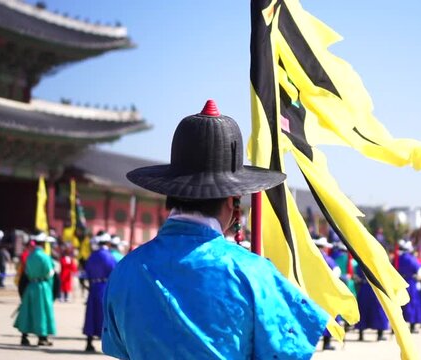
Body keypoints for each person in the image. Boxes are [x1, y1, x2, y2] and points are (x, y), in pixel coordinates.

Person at [102, 100, 328, 359]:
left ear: (171, 194)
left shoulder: (126, 269)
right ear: (233, 203)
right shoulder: (253, 272)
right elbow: (288, 351)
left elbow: (118, 347)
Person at [13, 232, 56, 346]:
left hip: (31, 286)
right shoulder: (44, 257)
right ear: (42, 243)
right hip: (42, 287)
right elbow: (49, 273)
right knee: (42, 312)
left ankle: (24, 337)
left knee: (27, 311)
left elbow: (26, 272)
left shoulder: (30, 256)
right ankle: (42, 337)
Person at [83, 232, 117, 352]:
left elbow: (85, 273)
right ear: (108, 242)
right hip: (105, 287)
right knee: (105, 316)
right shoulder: (110, 256)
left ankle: (88, 343)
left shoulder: (92, 256)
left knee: (91, 314)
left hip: (93, 287)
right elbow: (115, 273)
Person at [314, 236, 340, 351]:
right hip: (326, 293)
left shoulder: (310, 258)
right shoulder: (328, 259)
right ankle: (326, 343)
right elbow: (336, 273)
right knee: (329, 317)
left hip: (313, 292)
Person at [397, 239, 421, 333]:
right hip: (410, 283)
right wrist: (418, 278)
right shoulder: (410, 258)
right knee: (412, 304)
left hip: (399, 283)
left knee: (400, 305)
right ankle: (412, 326)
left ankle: (397, 327)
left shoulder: (398, 258)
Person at [354, 265, 388, 341]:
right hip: (375, 289)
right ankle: (380, 334)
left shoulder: (359, 263)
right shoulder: (376, 263)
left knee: (363, 310)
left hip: (364, 288)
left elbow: (356, 277)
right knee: (378, 311)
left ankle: (360, 334)